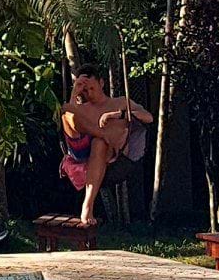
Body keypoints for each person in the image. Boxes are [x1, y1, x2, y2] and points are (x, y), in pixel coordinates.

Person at [61, 68, 153, 226]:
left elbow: (148, 117)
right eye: (85, 90)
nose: (89, 93)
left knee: (99, 143)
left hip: (112, 154)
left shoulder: (120, 102)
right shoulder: (82, 108)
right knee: (67, 111)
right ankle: (101, 134)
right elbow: (69, 114)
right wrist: (75, 92)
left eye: (92, 87)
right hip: (81, 151)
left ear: (101, 83)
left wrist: (117, 114)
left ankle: (87, 205)